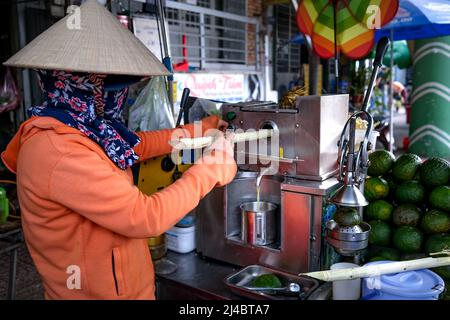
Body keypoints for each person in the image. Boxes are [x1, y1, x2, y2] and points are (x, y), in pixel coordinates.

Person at [1, 0, 236, 299]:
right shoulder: (59, 151)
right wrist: (211, 170)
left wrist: (204, 129)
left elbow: (138, 145)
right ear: (82, 87)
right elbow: (145, 216)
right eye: (109, 89)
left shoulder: (83, 126)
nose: (119, 99)